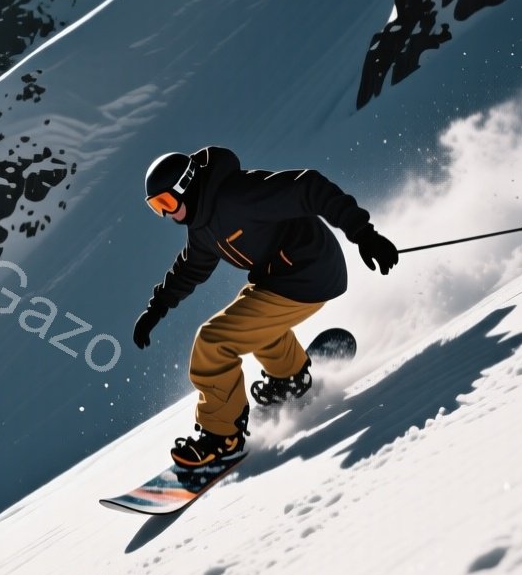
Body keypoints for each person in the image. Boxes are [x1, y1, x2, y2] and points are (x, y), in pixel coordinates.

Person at [134, 147, 398, 467]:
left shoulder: (238, 195)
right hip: (281, 278)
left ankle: (222, 437)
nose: (165, 214)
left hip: (309, 273)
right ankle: (290, 377)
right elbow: (191, 268)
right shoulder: (201, 224)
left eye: (166, 203)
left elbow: (309, 187)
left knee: (214, 341)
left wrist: (363, 234)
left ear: (186, 185)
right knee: (250, 318)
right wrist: (157, 307)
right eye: (156, 207)